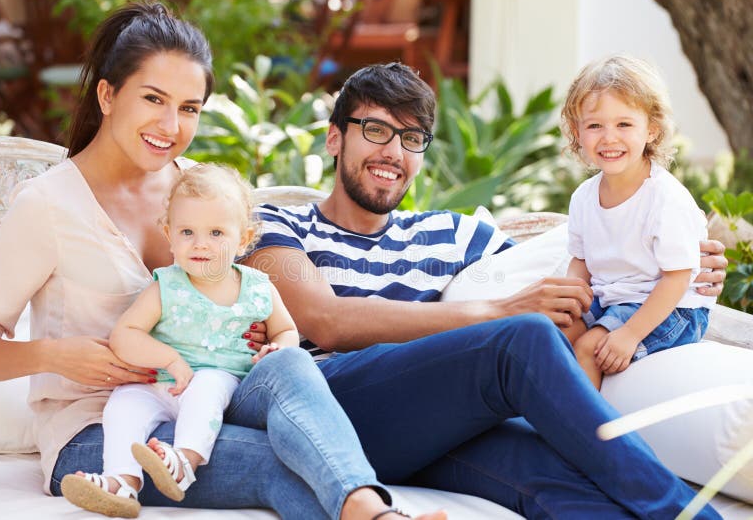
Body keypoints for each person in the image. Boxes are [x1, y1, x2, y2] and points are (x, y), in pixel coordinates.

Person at [0, 3, 444, 520]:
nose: (171, 125)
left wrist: (254, 333)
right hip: (99, 432)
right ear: (108, 95)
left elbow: (238, 292)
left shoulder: (198, 191)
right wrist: (54, 355)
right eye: (154, 99)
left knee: (292, 362)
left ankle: (373, 509)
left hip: (205, 399)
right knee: (278, 462)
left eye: (189, 108)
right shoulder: (48, 205)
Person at [243, 62, 728, 519]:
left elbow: (576, 272)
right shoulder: (276, 223)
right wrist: (499, 311)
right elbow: (326, 321)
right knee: (524, 336)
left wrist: (684, 264)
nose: (393, 151)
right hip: (328, 412)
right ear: (334, 137)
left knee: (558, 483)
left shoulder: (452, 234)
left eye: (410, 138)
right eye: (375, 130)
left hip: (427, 427)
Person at [60, 164, 301, 517]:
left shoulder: (258, 287)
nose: (201, 243)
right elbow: (124, 335)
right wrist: (168, 359)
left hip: (218, 381)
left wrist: (277, 348)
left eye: (217, 233)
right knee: (122, 407)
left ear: (244, 239)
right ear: (169, 234)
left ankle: (184, 463)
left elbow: (287, 330)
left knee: (205, 387)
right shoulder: (166, 285)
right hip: (159, 383)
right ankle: (122, 482)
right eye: (187, 231)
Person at [560, 54, 715, 389]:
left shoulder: (664, 198)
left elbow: (677, 278)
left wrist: (629, 334)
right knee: (555, 330)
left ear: (651, 129)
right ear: (578, 131)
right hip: (613, 297)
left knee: (589, 348)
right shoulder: (584, 198)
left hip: (671, 308)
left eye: (624, 124)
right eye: (595, 125)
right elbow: (581, 260)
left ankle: (584, 435)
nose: (609, 138)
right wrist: (571, 299)